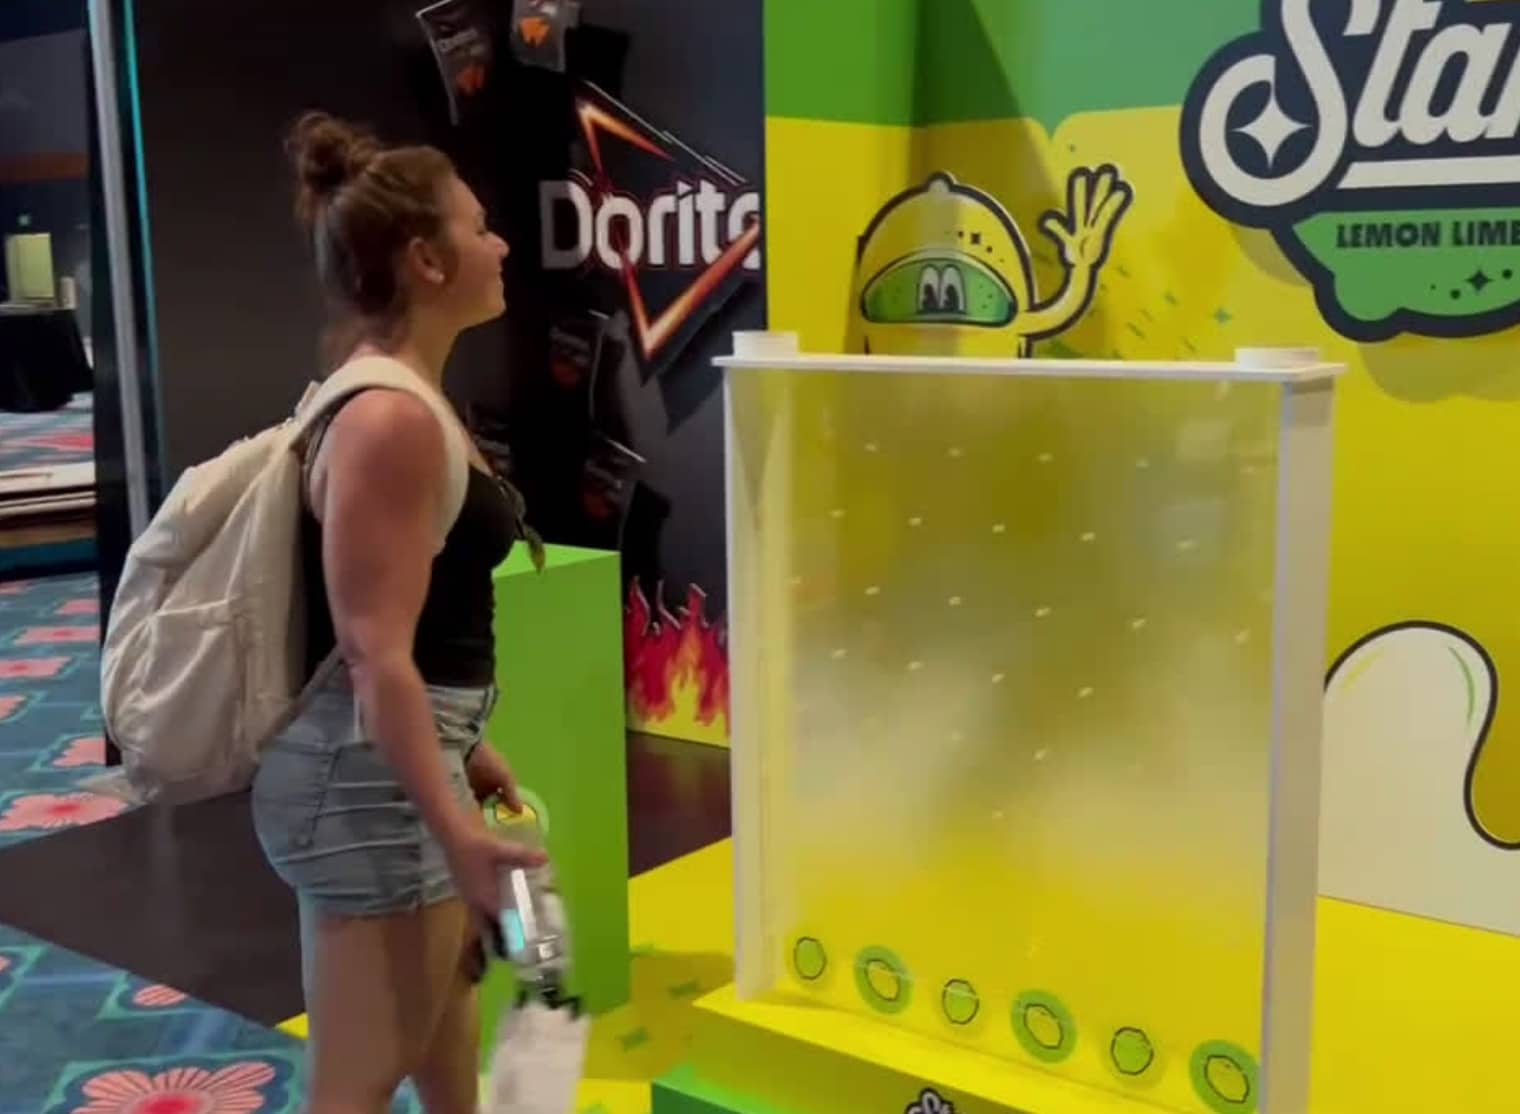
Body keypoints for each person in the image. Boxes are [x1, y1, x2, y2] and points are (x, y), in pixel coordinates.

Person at [251, 112, 543, 1114]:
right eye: (479, 225)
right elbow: (376, 655)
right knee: (359, 1078)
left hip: (383, 774)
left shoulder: (404, 397)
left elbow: (410, 634)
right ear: (425, 259)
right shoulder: (389, 418)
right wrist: (455, 834)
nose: (500, 242)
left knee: (442, 1041)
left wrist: (465, 750)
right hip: (364, 789)